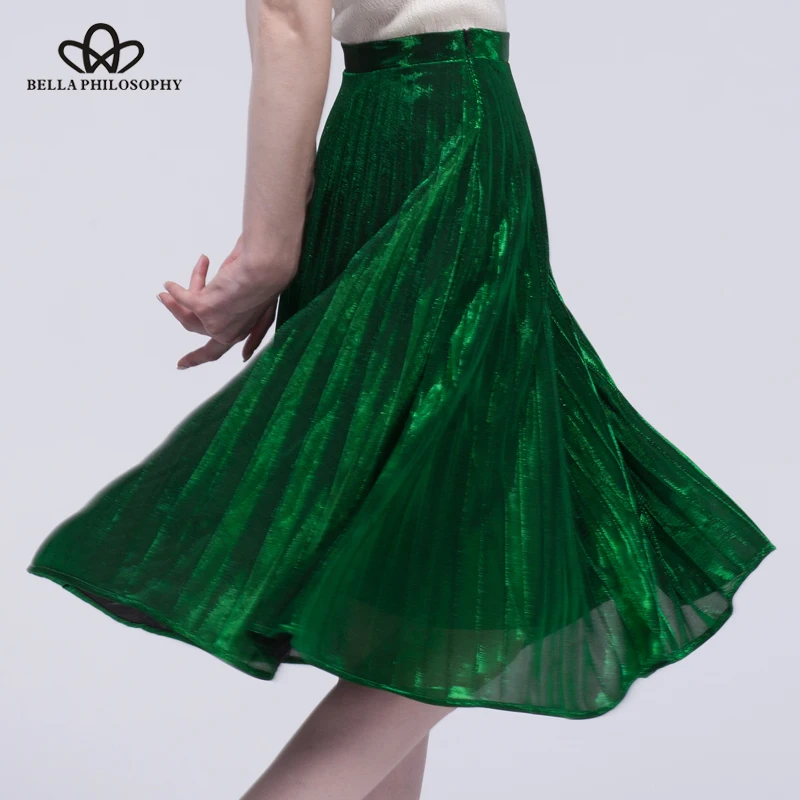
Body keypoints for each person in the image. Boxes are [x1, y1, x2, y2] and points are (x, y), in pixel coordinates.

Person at [26, 2, 777, 799]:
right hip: (441, 130)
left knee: (422, 562)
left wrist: (277, 242)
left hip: (413, 134)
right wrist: (270, 251)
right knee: (466, 555)